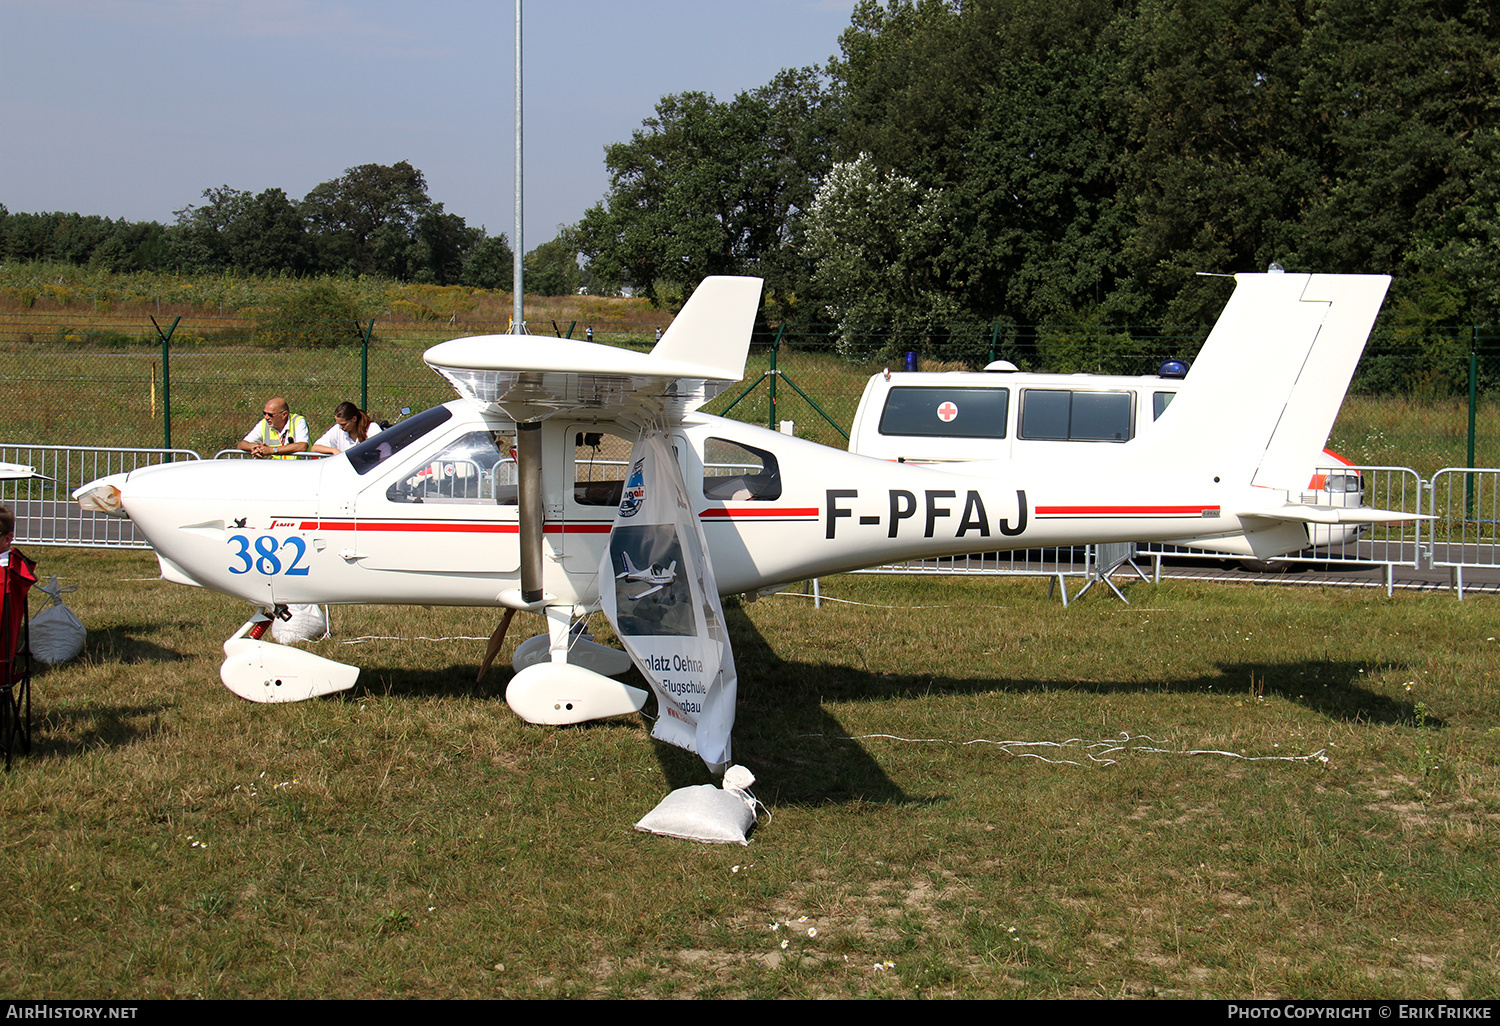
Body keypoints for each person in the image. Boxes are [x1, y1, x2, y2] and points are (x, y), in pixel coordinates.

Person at [238, 397, 310, 459]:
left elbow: (302, 446)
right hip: (278, 468)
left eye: (270, 414)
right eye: (264, 413)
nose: (266, 417)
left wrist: (272, 450)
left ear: (284, 414)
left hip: (301, 467)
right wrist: (255, 447)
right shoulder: (263, 424)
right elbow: (242, 444)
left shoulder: (298, 421)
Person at [310, 401, 382, 455]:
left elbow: (384, 451)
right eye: (339, 424)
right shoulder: (337, 429)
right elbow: (315, 448)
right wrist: (334, 450)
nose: (341, 427)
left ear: (354, 419)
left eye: (344, 424)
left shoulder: (372, 428)